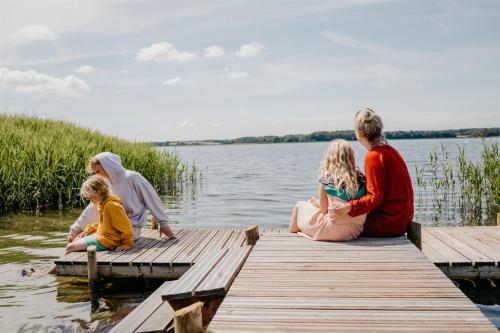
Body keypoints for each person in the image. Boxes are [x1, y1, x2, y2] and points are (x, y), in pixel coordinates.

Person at [331, 108, 414, 237]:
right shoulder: (391, 151)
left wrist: (349, 207)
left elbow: (375, 198)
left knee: (334, 222)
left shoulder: (374, 156)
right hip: (401, 220)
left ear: (360, 133)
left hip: (386, 224)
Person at [68, 152, 175, 242]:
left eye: (98, 171)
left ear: (107, 165)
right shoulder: (106, 183)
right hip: (111, 229)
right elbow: (93, 208)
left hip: (130, 231)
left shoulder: (132, 177)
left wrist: (163, 223)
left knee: (79, 242)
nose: (97, 175)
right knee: (79, 237)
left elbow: (151, 198)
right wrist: (75, 229)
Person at [49, 175, 134, 274]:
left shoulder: (112, 206)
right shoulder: (104, 203)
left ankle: (47, 274)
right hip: (103, 237)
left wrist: (127, 244)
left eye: (90, 195)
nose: (89, 199)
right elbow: (105, 223)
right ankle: (52, 269)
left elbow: (126, 227)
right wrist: (89, 229)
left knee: (70, 247)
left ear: (99, 191)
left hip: (108, 241)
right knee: (76, 239)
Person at [289, 139, 367, 241]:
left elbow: (324, 210)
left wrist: (317, 203)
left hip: (331, 230)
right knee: (313, 203)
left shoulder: (327, 178)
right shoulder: (362, 178)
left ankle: (291, 233)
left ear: (331, 158)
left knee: (300, 205)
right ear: (351, 157)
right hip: (354, 231)